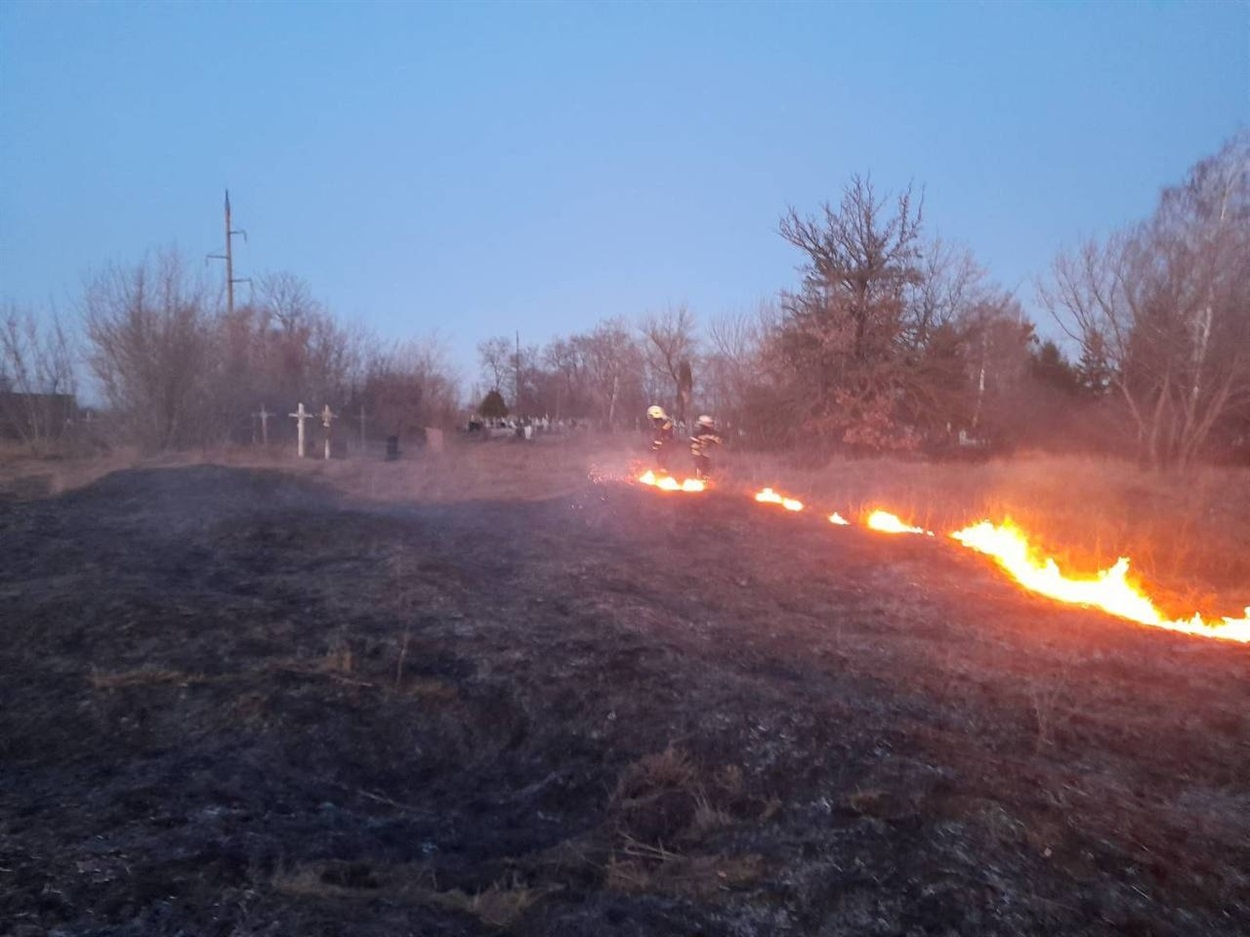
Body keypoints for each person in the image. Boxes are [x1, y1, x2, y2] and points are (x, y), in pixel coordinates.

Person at [690, 414, 722, 481]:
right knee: (701, 467)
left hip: (703, 453)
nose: (711, 425)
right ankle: (701, 480)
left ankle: (704, 480)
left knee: (705, 467)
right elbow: (694, 442)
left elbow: (717, 440)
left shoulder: (699, 433)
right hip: (698, 453)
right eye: (709, 423)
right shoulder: (701, 433)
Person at [647, 405, 675, 472]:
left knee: (661, 459)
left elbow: (658, 438)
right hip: (669, 445)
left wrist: (653, 449)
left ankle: (663, 472)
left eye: (651, 416)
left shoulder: (660, 424)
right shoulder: (666, 422)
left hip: (667, 446)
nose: (651, 419)